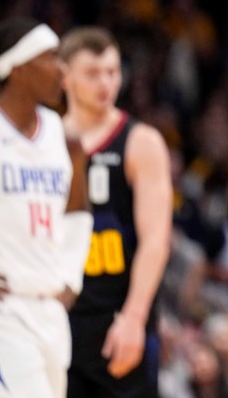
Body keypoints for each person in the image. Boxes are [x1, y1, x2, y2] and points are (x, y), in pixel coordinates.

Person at [0, 17, 92, 397]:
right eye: (52, 57)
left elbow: (77, 212)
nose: (63, 70)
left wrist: (71, 278)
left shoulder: (65, 138)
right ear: (17, 68)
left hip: (50, 310)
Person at [60, 26, 172, 397]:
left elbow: (156, 240)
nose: (105, 82)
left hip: (117, 319)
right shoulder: (44, 141)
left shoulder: (141, 142)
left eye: (112, 71)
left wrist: (135, 318)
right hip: (58, 319)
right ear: (65, 77)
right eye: (93, 73)